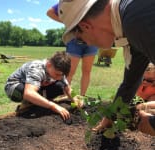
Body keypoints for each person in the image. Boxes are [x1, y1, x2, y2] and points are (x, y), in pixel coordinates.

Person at [58, 0, 155, 135]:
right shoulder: (131, 18)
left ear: (85, 26)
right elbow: (130, 82)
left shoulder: (137, 20)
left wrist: (152, 124)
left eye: (80, 39)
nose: (86, 43)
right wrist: (110, 116)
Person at [5, 51, 81, 121]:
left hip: (36, 87)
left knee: (60, 86)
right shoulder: (37, 68)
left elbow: (67, 88)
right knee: (24, 91)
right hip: (14, 87)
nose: (59, 77)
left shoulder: (59, 71)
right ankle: (26, 105)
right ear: (49, 65)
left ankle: (39, 102)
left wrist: (75, 99)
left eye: (61, 75)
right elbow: (28, 93)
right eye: (57, 74)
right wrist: (53, 106)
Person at [47, 3, 98, 96]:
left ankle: (82, 96)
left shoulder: (93, 2)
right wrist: (69, 22)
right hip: (74, 40)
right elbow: (50, 12)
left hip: (92, 40)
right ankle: (64, 96)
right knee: (69, 71)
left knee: (87, 71)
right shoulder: (71, 2)